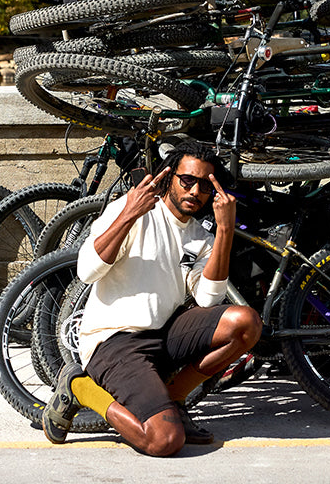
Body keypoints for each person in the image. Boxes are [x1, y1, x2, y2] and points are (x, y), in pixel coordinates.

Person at [42, 142, 262, 456]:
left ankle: (173, 400)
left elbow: (209, 299)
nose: (195, 190)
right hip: (113, 341)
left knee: (245, 323)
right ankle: (79, 387)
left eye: (204, 185)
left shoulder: (201, 237)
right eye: (187, 180)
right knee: (164, 440)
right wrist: (130, 213)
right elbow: (87, 271)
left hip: (163, 335)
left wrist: (225, 229)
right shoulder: (131, 208)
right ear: (170, 177)